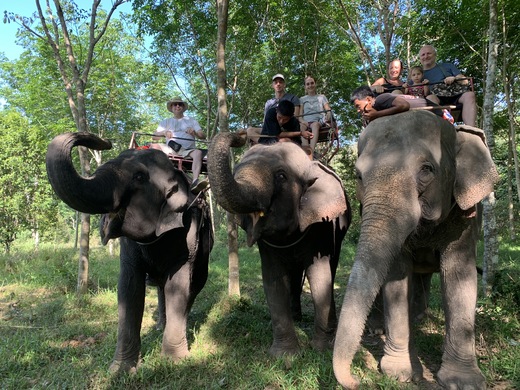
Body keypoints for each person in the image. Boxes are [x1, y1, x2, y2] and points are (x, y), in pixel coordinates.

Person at [153, 97, 208, 194]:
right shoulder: (166, 122)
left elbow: (203, 136)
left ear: (183, 107)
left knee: (198, 153)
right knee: (153, 146)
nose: (177, 106)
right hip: (171, 148)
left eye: (180, 104)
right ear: (171, 107)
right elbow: (154, 137)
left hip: (188, 150)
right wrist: (164, 132)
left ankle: (195, 181)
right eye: (175, 104)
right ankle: (155, 178)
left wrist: (194, 132)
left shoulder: (191, 120)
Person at [419, 44, 476, 126]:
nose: (426, 56)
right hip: (436, 98)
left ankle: (471, 129)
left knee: (470, 95)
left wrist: (455, 78)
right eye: (423, 55)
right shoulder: (417, 74)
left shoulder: (447, 66)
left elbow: (465, 82)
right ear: (420, 58)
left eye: (429, 53)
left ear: (435, 55)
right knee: (430, 98)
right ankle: (441, 127)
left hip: (453, 94)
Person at [246, 74, 305, 144]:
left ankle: (268, 143)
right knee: (250, 130)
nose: (278, 84)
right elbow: (265, 121)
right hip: (271, 128)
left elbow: (295, 116)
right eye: (276, 82)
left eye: (280, 82)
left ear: (284, 85)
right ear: (272, 85)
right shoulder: (269, 102)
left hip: (287, 129)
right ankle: (266, 143)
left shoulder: (293, 98)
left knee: (284, 139)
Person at [350, 85, 444, 127]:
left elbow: (404, 105)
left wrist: (376, 115)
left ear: (368, 100)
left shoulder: (381, 99)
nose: (358, 110)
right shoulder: (379, 107)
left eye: (358, 106)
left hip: (436, 113)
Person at [299, 76, 332, 157]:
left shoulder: (322, 97)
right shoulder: (302, 99)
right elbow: (300, 116)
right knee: (301, 127)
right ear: (305, 87)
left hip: (317, 121)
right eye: (308, 84)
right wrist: (303, 122)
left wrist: (328, 116)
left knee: (315, 125)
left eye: (312, 83)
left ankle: (311, 152)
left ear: (315, 84)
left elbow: (328, 110)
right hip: (306, 122)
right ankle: (305, 152)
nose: (310, 86)